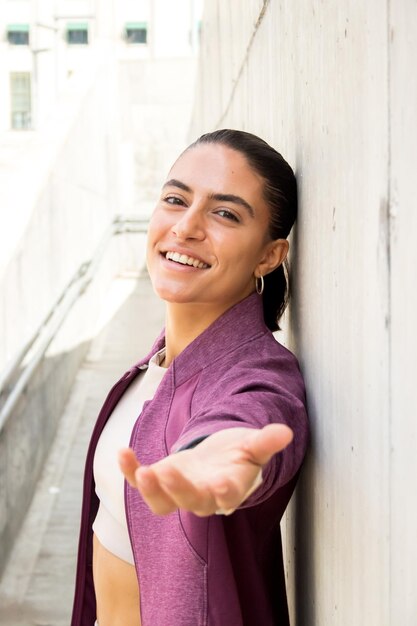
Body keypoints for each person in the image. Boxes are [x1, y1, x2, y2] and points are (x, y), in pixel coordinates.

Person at [71, 129, 309, 626]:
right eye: (176, 200)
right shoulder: (154, 364)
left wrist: (219, 459)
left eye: (225, 213)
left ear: (269, 255)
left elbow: (251, 417)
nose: (186, 226)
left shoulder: (256, 373)